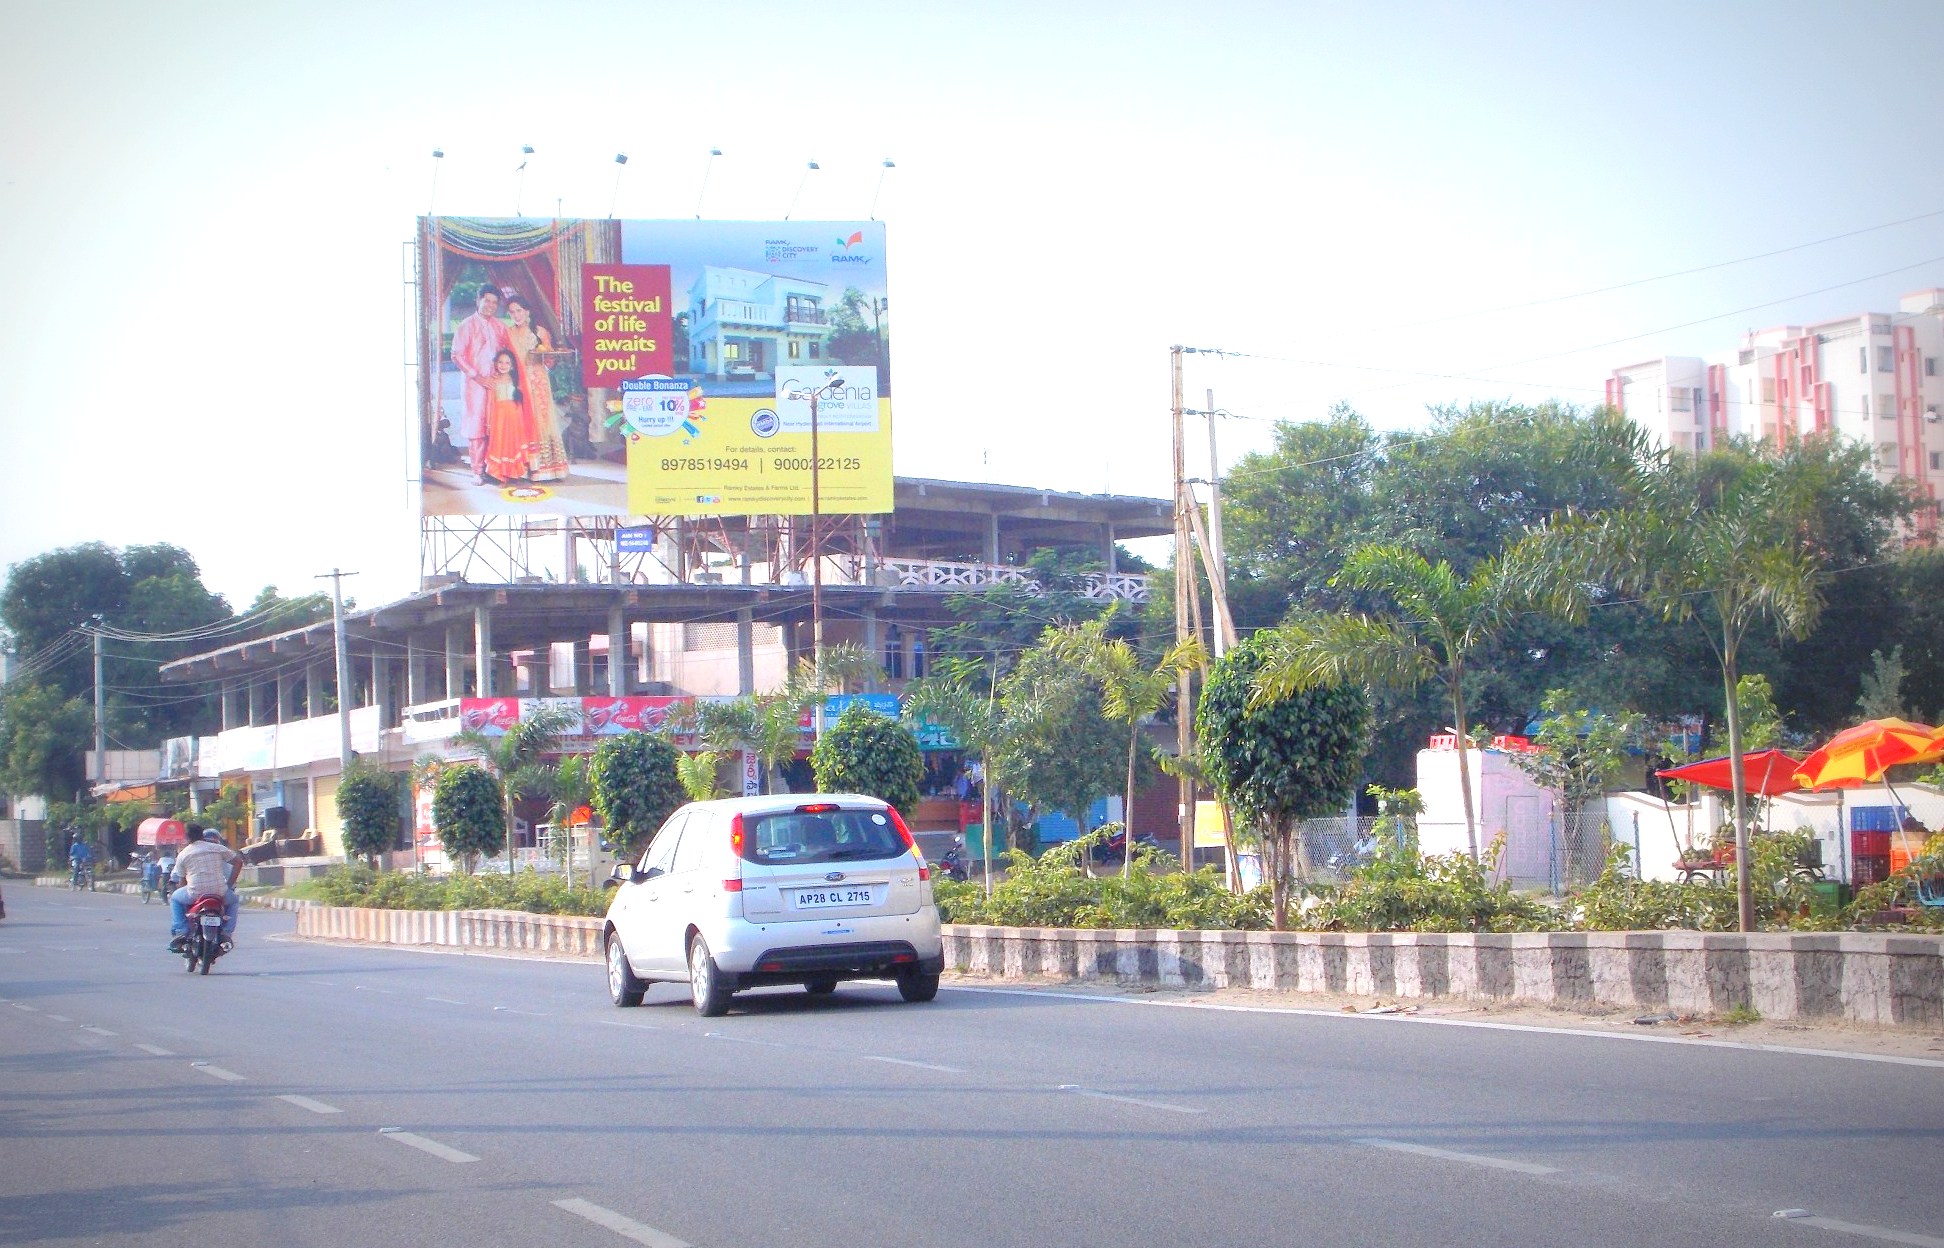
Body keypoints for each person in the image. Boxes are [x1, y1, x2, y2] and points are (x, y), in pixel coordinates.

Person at [450, 285, 510, 485]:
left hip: (496, 383)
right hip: (474, 384)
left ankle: (494, 468)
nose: (491, 305)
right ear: (478, 301)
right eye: (487, 301)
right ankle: (477, 470)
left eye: (495, 302)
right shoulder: (466, 326)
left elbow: (506, 354)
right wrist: (477, 376)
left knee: (496, 424)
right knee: (476, 426)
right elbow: (457, 356)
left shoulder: (500, 326)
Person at [505, 296, 569, 482]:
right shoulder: (508, 333)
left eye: (519, 311)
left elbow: (548, 359)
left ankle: (548, 467)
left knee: (543, 420)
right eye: (512, 312)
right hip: (517, 382)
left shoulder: (541, 332)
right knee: (522, 421)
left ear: (527, 312)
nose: (516, 315)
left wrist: (551, 357)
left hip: (538, 381)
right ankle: (526, 467)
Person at [168, 828, 244, 953]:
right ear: (202, 836)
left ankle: (181, 930)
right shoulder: (217, 848)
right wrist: (229, 884)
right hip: (220, 892)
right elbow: (238, 862)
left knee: (176, 898)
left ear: (187, 838)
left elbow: (182, 879)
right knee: (234, 901)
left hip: (194, 893)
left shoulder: (183, 854)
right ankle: (227, 932)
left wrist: (185, 889)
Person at [482, 349, 536, 482]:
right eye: (500, 362)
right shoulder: (493, 380)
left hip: (514, 419)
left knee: (512, 444)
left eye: (507, 363)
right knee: (500, 444)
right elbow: (490, 403)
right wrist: (489, 423)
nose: (503, 365)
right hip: (498, 419)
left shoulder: (516, 380)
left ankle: (513, 473)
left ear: (512, 365)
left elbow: (521, 404)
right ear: (495, 364)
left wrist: (521, 422)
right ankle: (500, 475)